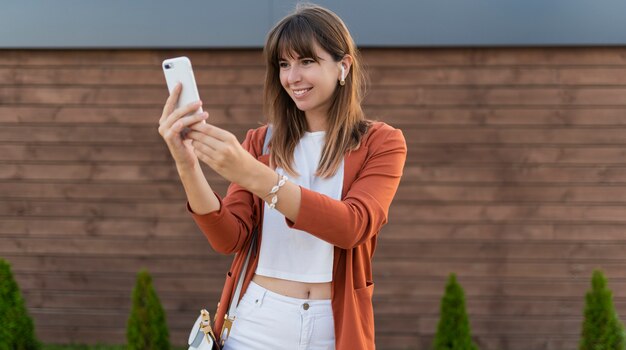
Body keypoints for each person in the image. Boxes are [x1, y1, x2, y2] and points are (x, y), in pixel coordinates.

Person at [158, 4, 406, 350]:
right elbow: (228, 238)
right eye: (284, 65)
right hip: (256, 321)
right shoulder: (261, 142)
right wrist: (187, 164)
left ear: (343, 66)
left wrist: (257, 176)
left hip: (333, 327)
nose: (292, 77)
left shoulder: (380, 142)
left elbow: (353, 226)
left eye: (307, 61)